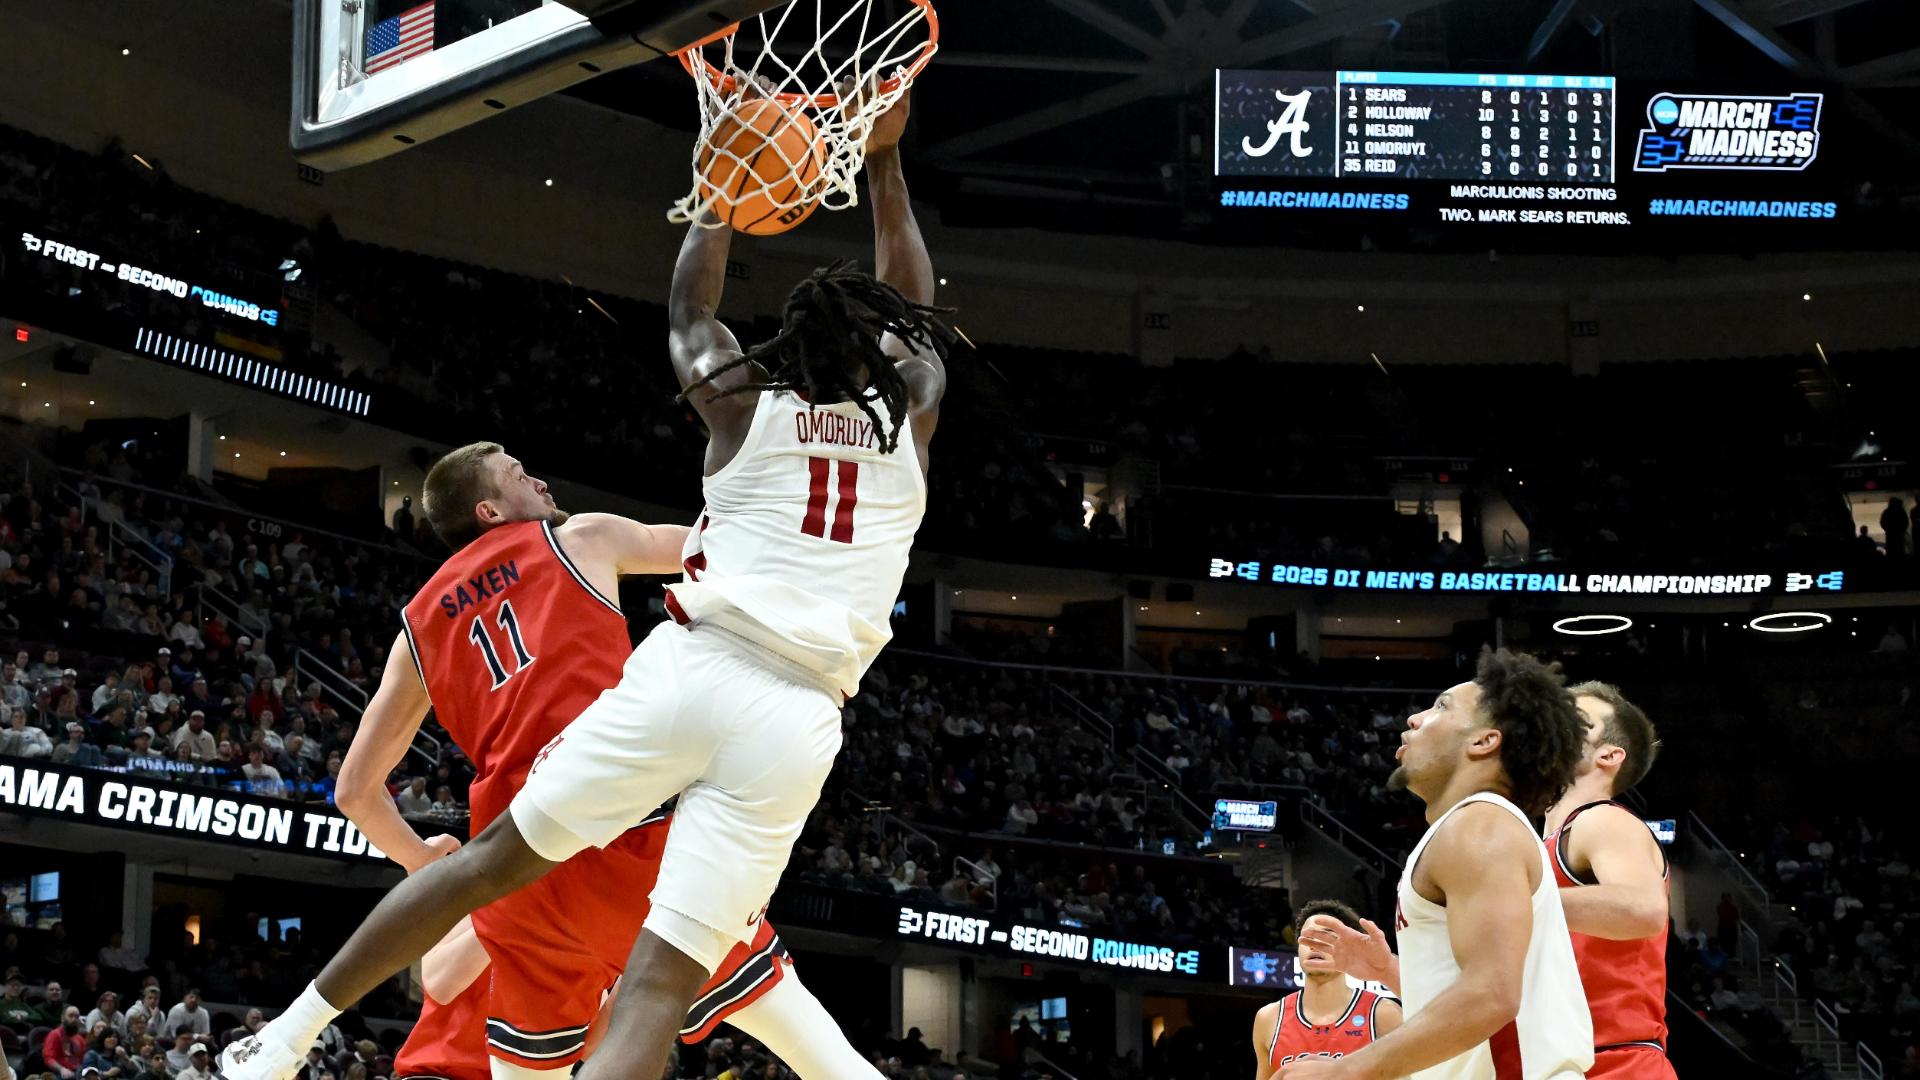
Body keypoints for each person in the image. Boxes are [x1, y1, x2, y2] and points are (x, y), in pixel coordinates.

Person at [221, 94, 949, 1080]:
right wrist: (887, 161)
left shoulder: (740, 419)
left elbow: (693, 314)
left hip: (686, 677)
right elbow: (915, 311)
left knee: (483, 877)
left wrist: (719, 184)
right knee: (661, 990)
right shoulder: (904, 432)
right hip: (796, 718)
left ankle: (290, 1036)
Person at [1286, 649, 1592, 1080]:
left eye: (1441, 706)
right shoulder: (1473, 827)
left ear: (1483, 740)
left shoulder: (1480, 826)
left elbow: (1493, 994)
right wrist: (1390, 972)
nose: (1415, 719)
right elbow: (1479, 997)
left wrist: (1344, 1071)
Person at [1543, 683, 1675, 1080]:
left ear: (1609, 755)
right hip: (1558, 1061)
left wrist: (1515, 903)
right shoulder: (1542, 844)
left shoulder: (1603, 820)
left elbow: (1644, 909)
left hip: (1617, 1062)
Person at [1253, 899, 1402, 1080]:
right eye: (1308, 937)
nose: (1315, 944)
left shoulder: (1383, 1013)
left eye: (1327, 936)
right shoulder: (1268, 1018)